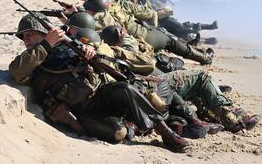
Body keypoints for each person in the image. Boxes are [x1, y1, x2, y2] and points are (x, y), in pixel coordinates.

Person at [8, 12, 188, 152]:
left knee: (125, 88)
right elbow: (16, 71)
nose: (26, 39)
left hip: (100, 94)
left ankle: (164, 131)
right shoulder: (31, 60)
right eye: (23, 36)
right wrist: (45, 45)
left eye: (30, 34)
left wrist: (89, 56)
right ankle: (132, 124)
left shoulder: (68, 45)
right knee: (118, 132)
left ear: (45, 32)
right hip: (83, 110)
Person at [99, 25, 260, 133]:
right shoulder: (116, 53)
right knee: (201, 77)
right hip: (150, 91)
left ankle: (215, 114)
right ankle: (229, 117)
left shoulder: (101, 55)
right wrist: (126, 39)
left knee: (191, 84)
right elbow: (146, 63)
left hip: (142, 93)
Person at [83, 0, 213, 65]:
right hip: (147, 35)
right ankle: (204, 58)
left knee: (156, 60)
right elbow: (150, 14)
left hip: (132, 46)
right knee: (171, 42)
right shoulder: (119, 6)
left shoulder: (93, 20)